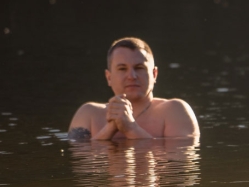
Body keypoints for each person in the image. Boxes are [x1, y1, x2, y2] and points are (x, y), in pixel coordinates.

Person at [68, 37, 199, 140]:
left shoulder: (175, 111)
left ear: (154, 74)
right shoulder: (88, 114)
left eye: (139, 68)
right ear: (109, 77)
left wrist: (130, 128)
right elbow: (80, 163)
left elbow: (179, 165)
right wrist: (110, 128)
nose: (131, 76)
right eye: (122, 69)